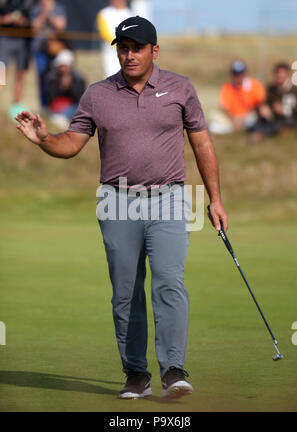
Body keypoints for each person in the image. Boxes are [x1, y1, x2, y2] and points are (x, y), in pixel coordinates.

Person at [15, 16, 228, 400]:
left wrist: (215, 199)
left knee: (169, 282)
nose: (129, 56)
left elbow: (202, 144)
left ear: (154, 51)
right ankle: (136, 375)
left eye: (137, 48)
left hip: (169, 198)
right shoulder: (98, 94)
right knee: (125, 291)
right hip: (117, 200)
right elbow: (71, 145)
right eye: (123, 48)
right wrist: (44, 138)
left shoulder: (181, 88)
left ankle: (174, 371)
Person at [209, 60, 266, 134]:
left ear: (245, 73)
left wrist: (244, 118)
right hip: (232, 118)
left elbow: (260, 104)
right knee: (214, 117)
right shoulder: (227, 87)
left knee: (255, 117)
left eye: (240, 73)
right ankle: (237, 128)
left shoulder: (255, 85)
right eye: (235, 73)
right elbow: (224, 108)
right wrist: (233, 120)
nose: (238, 76)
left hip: (248, 116)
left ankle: (238, 128)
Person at [0, 0, 35, 120]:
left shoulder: (28, 4)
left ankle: (15, 105)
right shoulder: (4, 3)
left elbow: (33, 22)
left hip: (22, 40)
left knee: (20, 73)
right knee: (2, 71)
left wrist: (23, 21)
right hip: (5, 38)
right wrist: (7, 19)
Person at [30, 0, 67, 109]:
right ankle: (44, 106)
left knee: (56, 76)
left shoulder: (59, 8)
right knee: (42, 76)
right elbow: (35, 28)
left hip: (56, 50)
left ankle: (55, 105)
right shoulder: (36, 9)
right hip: (40, 49)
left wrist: (50, 13)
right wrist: (43, 13)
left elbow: (61, 26)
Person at [44, 49, 86, 129]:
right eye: (61, 66)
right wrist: (60, 87)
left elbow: (80, 100)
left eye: (65, 66)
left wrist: (70, 86)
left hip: (72, 107)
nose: (63, 69)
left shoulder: (79, 79)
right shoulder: (51, 78)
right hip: (57, 107)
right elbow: (50, 98)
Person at [96, 0, 131, 78]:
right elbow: (104, 33)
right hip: (110, 52)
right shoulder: (104, 13)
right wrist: (120, 44)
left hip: (128, 52)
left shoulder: (130, 13)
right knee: (111, 76)